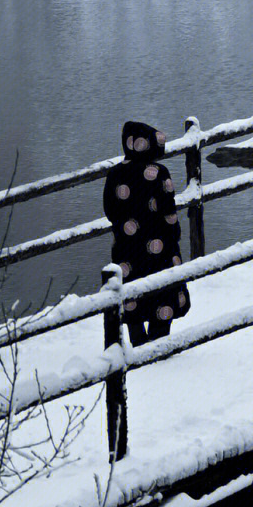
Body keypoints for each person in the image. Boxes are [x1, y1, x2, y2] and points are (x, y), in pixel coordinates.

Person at [103, 120, 190, 347]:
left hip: (127, 249)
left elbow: (110, 210)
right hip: (161, 246)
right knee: (163, 293)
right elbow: (168, 211)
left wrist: (126, 228)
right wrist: (174, 235)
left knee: (133, 295)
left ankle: (139, 346)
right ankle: (159, 347)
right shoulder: (159, 173)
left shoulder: (115, 174)